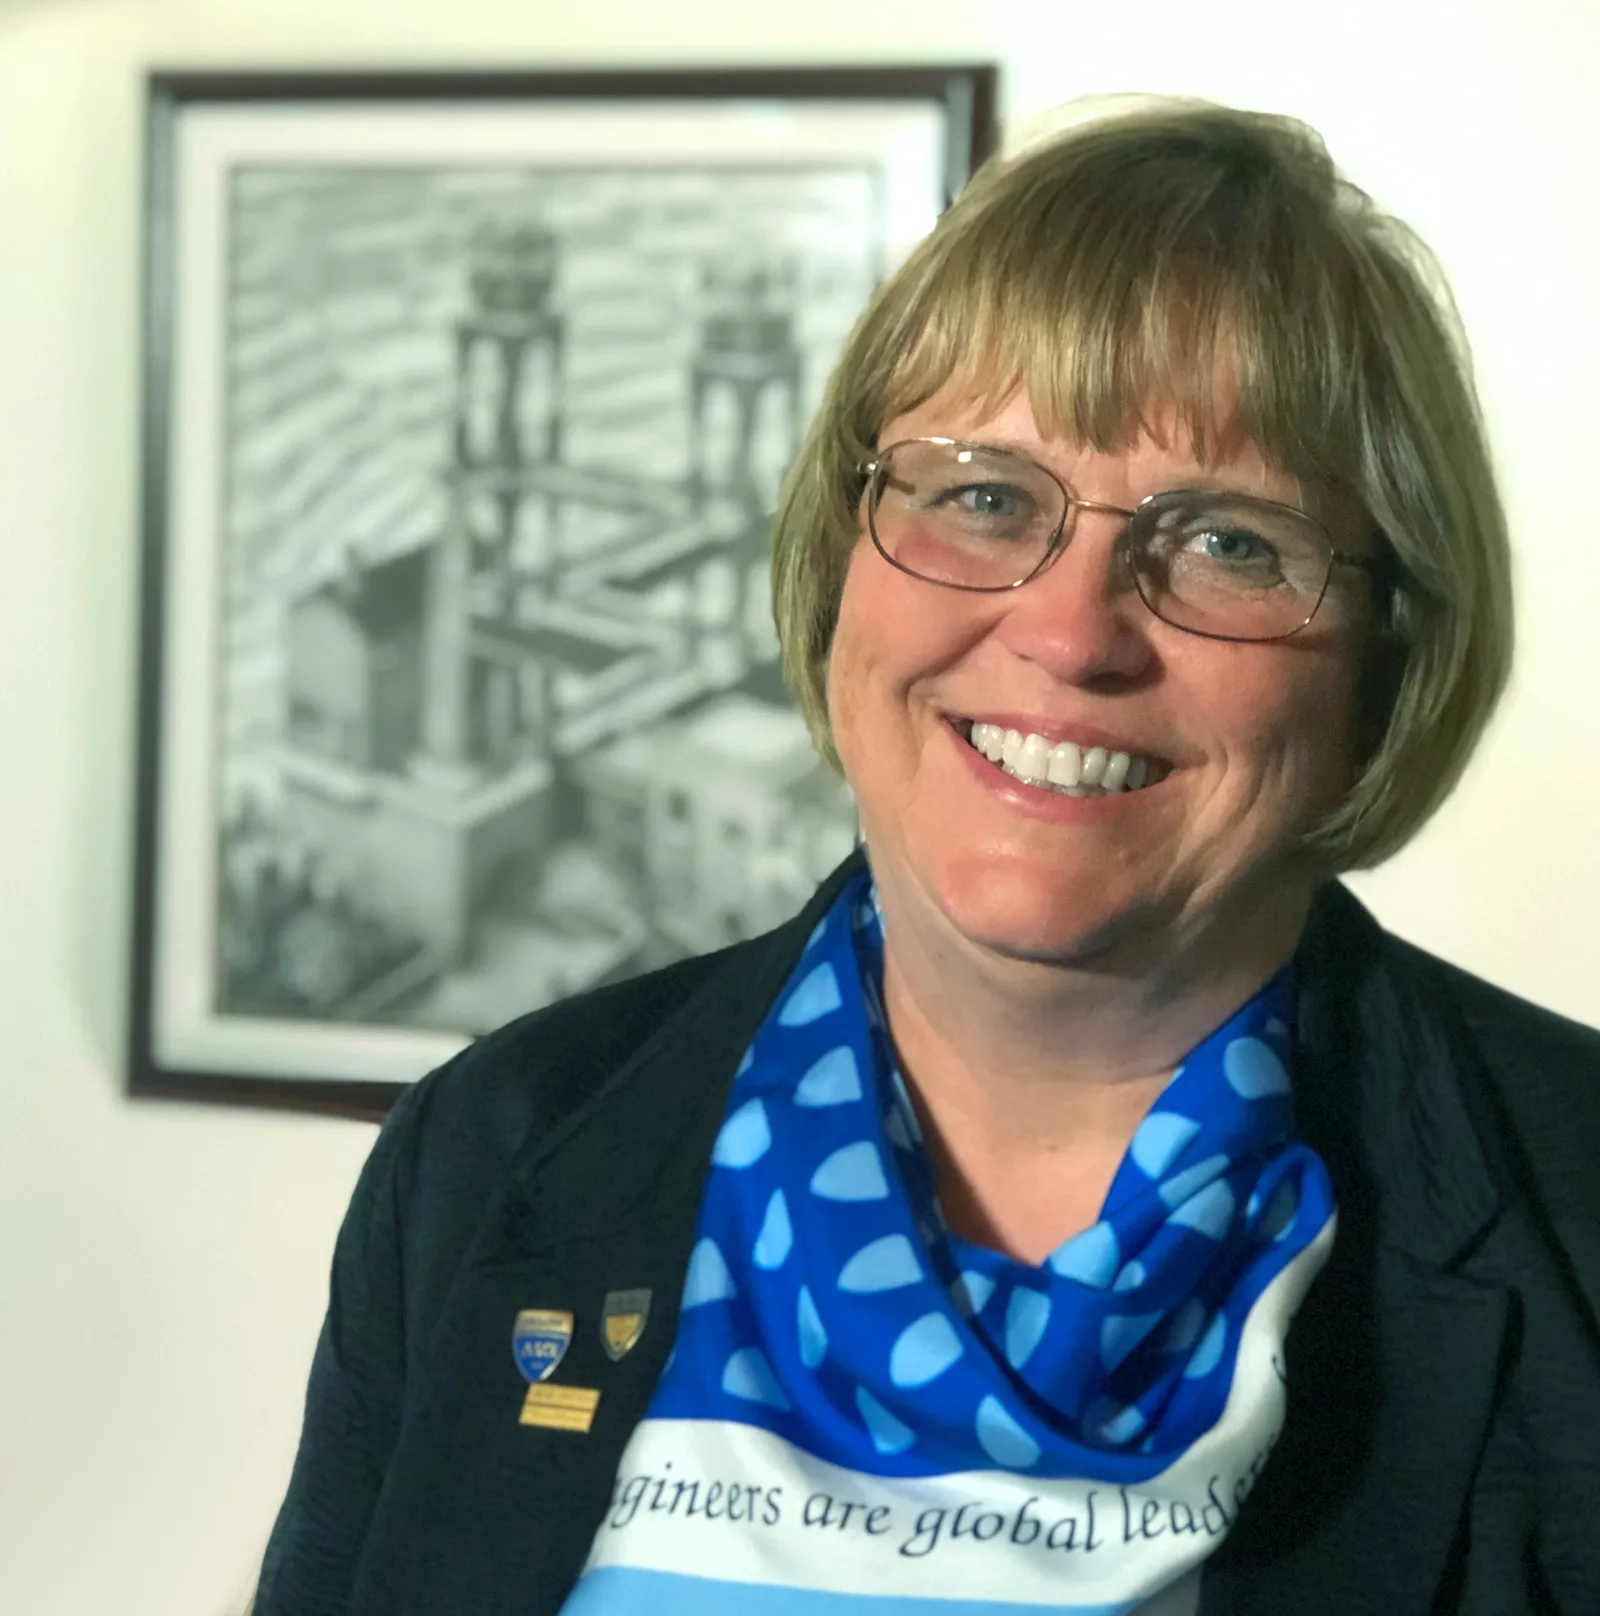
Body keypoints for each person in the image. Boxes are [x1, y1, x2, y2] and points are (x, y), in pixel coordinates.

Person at [254, 99, 1600, 1616]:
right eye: (981, 497)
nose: (1070, 632)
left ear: (1385, 654)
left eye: (1228, 540)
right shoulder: (492, 1154)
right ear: (842, 562)